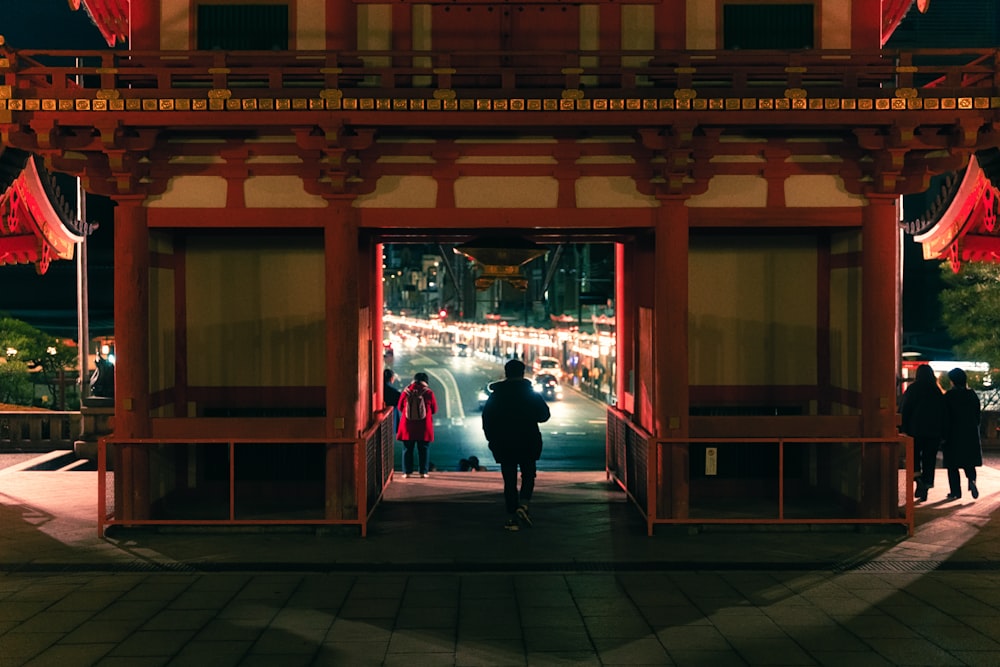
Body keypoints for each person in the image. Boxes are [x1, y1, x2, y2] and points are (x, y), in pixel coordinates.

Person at [482, 359, 551, 531]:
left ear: (506, 373)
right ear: (522, 373)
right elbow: (544, 415)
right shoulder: (531, 394)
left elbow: (487, 420)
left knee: (509, 480)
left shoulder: (496, 395)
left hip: (504, 442)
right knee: (528, 475)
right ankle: (524, 504)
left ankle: (511, 517)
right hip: (528, 440)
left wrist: (492, 440)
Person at [899, 364, 946, 502]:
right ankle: (926, 484)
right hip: (933, 432)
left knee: (914, 456)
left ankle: (917, 477)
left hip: (915, 430)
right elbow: (943, 413)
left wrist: (904, 427)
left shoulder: (913, 389)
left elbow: (905, 409)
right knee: (929, 459)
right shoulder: (936, 390)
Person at [942, 368, 983, 501]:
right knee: (969, 462)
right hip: (970, 433)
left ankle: (955, 492)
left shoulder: (949, 396)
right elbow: (978, 415)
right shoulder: (972, 395)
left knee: (952, 465)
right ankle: (972, 480)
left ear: (952, 381)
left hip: (953, 434)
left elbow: (944, 416)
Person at [396, 372, 438, 478]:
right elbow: (434, 409)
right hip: (423, 426)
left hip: (408, 426)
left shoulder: (406, 392)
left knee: (407, 449)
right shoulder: (428, 392)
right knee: (423, 449)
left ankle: (407, 472)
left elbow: (400, 407)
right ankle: (423, 472)